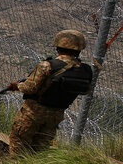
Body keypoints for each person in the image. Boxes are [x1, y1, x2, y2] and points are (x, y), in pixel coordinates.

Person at [6, 29, 93, 157]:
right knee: (41, 149)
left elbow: (30, 88)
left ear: (58, 47)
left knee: (19, 142)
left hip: (33, 112)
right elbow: (85, 91)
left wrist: (17, 86)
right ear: (79, 49)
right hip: (56, 114)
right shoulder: (85, 70)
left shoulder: (47, 65)